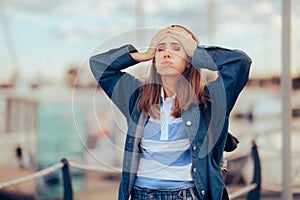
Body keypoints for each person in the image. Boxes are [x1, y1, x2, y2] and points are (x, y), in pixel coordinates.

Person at [90, 25, 251, 200]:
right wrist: (144, 54)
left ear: (190, 61)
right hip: (142, 195)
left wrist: (196, 51)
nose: (166, 54)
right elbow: (99, 65)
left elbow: (240, 62)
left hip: (188, 195)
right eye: (161, 49)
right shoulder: (137, 97)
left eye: (177, 48)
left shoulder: (210, 100)